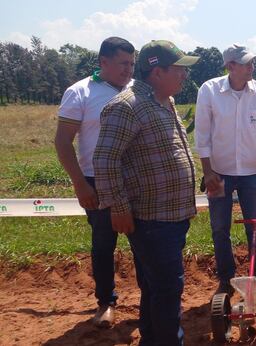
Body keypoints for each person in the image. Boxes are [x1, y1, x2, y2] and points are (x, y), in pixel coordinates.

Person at [93, 40, 199, 345]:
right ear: (156, 72)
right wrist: (118, 206)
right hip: (152, 220)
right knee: (167, 290)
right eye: (178, 70)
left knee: (156, 288)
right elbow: (104, 159)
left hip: (172, 216)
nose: (184, 76)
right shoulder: (126, 106)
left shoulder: (164, 101)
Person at [54, 36, 135, 328]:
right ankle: (106, 302)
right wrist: (79, 184)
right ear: (103, 62)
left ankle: (151, 298)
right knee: (103, 243)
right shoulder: (81, 93)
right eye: (123, 63)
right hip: (96, 180)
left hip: (135, 180)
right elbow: (63, 142)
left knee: (145, 242)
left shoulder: (137, 90)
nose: (129, 70)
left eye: (132, 63)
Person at [195, 44, 256, 294]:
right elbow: (203, 135)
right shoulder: (209, 91)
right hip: (218, 175)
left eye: (252, 62)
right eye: (246, 63)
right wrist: (208, 171)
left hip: (252, 174)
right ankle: (226, 278)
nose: (251, 67)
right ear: (230, 66)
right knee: (220, 226)